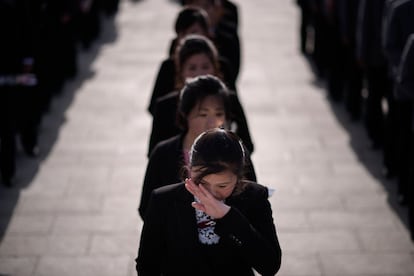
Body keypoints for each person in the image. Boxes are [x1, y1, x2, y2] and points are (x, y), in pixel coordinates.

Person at [136, 128, 282, 275]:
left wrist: (228, 216)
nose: (211, 194)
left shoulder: (254, 197)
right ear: (190, 169)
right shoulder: (164, 200)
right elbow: (147, 265)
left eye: (222, 186)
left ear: (238, 177)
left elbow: (270, 265)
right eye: (202, 182)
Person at [139, 74, 256, 219]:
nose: (212, 123)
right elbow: (147, 207)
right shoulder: (163, 153)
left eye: (219, 113)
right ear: (185, 114)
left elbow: (253, 202)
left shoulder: (239, 151)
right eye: (203, 114)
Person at [147, 34, 253, 156]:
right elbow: (154, 154)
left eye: (205, 66)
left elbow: (247, 146)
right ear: (181, 71)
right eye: (192, 68)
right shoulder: (165, 106)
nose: (199, 73)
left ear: (215, 68)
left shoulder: (229, 100)